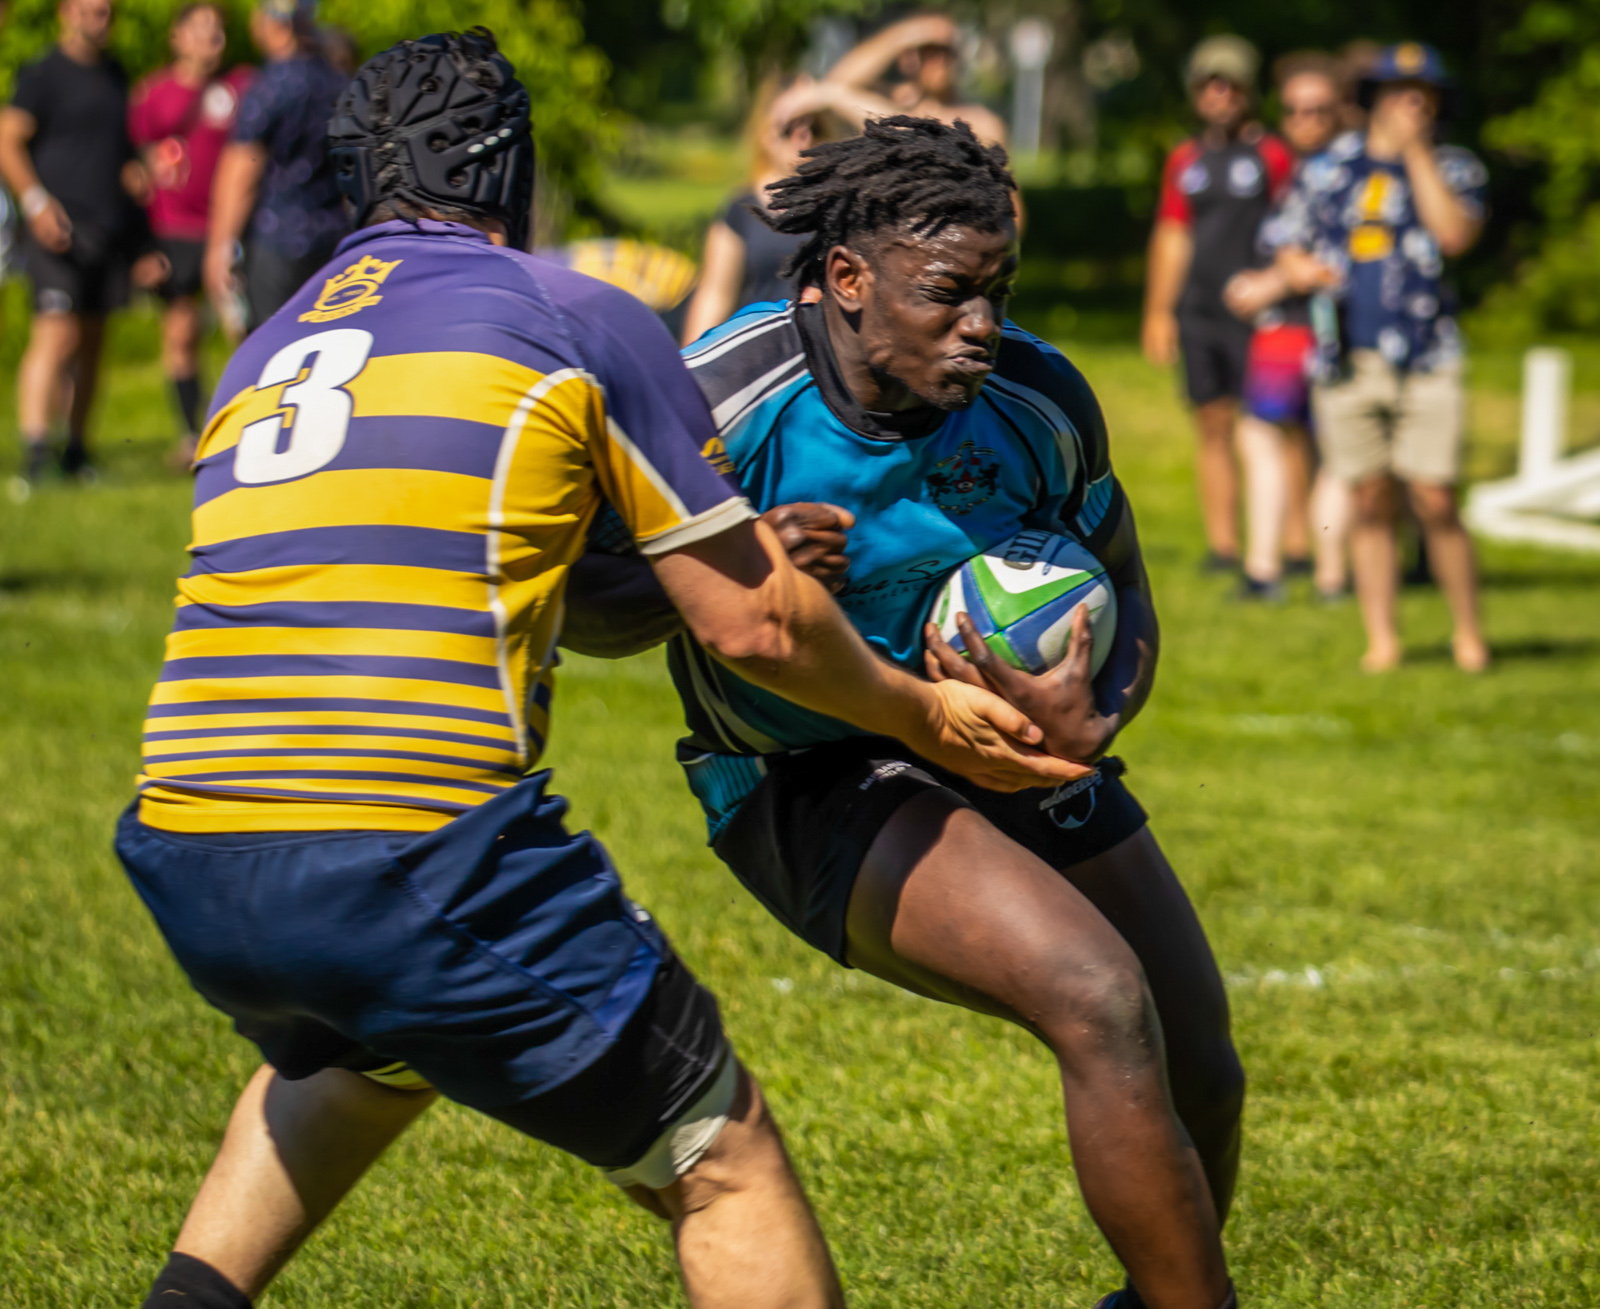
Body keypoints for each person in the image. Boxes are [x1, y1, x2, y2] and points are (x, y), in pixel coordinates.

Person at [117, 33, 1080, 1309]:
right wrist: (928, 718)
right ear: (510, 172)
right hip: (412, 835)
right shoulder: (568, 314)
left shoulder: (263, 358)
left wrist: (730, 564)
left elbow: (607, 598)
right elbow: (760, 631)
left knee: (362, 1059)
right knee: (719, 1161)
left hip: (188, 842)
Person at [572, 117, 1242, 1309]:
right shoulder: (721, 398)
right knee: (1094, 991)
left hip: (1007, 749)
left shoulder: (1036, 397)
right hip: (805, 771)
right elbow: (593, 609)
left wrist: (1096, 719)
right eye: (948, 295)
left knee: (1200, 1055)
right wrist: (736, 567)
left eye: (999, 292)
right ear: (845, 277)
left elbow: (1123, 575)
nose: (981, 328)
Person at [1268, 43, 1489, 673]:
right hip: (1346, 358)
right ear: (1373, 99)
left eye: (1423, 95)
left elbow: (1454, 235)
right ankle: (1383, 638)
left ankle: (1469, 634)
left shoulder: (1455, 167)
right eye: (1398, 93)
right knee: (1369, 499)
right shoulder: (1329, 168)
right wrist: (1298, 269)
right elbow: (1284, 242)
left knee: (1436, 496)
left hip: (1428, 356)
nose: (1410, 105)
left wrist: (1415, 152)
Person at [1142, 36, 1293, 572]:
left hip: (1264, 316)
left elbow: (1298, 227)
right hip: (1201, 313)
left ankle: (1293, 544)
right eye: (1209, 83)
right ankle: (1224, 544)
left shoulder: (1273, 154)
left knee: (1277, 426)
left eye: (1229, 82)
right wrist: (1159, 312)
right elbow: (1173, 232)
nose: (1219, 93)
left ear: (1248, 90)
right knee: (1212, 423)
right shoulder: (1187, 159)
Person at [0, 0, 157, 491]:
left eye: (107, 12)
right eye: (91, 10)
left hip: (108, 228)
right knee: (56, 335)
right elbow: (8, 139)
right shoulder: (43, 72)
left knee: (93, 342)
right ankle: (35, 454)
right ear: (67, 12)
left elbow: (121, 150)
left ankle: (77, 451)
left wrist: (137, 175)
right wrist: (35, 203)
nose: (100, 18)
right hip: (56, 227)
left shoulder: (116, 75)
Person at [1221, 52, 1348, 601]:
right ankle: (1316, 574)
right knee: (1307, 447)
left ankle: (1287, 571)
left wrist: (1267, 283)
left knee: (1281, 441)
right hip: (1294, 327)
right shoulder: (1301, 169)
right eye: (1295, 111)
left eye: (1318, 110)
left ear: (1340, 111)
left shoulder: (1341, 171)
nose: (1305, 121)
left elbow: (1333, 264)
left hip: (1317, 329)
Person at [129, 2, 254, 467]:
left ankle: (250, 424)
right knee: (181, 333)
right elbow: (137, 169)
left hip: (227, 230)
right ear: (177, 37)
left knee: (240, 327)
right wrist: (141, 246)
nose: (212, 38)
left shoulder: (239, 88)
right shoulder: (152, 94)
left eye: (218, 30)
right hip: (173, 231)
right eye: (202, 29)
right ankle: (191, 434)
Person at [680, 74, 891, 344]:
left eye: (813, 126)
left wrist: (830, 95)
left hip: (829, 355)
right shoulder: (741, 210)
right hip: (760, 356)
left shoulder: (843, 203)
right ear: (765, 132)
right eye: (789, 127)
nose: (803, 136)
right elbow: (715, 296)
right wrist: (690, 368)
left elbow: (903, 139)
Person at [204, 0, 347, 334]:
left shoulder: (270, 86)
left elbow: (242, 174)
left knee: (271, 350)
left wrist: (220, 249)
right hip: (332, 242)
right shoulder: (336, 82)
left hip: (277, 242)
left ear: (275, 24)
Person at [822, 12, 1007, 148]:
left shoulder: (981, 122)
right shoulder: (891, 102)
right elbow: (835, 84)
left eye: (946, 51)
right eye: (929, 51)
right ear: (909, 58)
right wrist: (903, 35)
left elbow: (1007, 197)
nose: (940, 61)